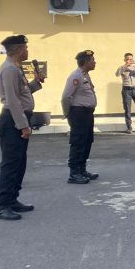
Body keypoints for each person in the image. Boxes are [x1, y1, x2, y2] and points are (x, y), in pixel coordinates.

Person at [0, 34, 45, 220]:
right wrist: (23, 125)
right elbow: (13, 100)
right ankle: (3, 206)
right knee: (11, 164)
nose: (27, 51)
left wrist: (36, 83)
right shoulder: (9, 69)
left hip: (17, 119)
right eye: (25, 48)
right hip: (12, 122)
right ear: (18, 50)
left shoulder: (16, 68)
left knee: (19, 163)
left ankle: (13, 199)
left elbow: (21, 93)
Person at [61, 50, 99, 185]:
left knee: (87, 141)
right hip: (78, 114)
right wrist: (68, 114)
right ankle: (74, 173)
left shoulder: (85, 75)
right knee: (78, 143)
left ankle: (82, 170)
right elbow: (66, 97)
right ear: (86, 62)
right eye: (92, 60)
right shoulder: (75, 76)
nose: (95, 62)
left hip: (87, 113)